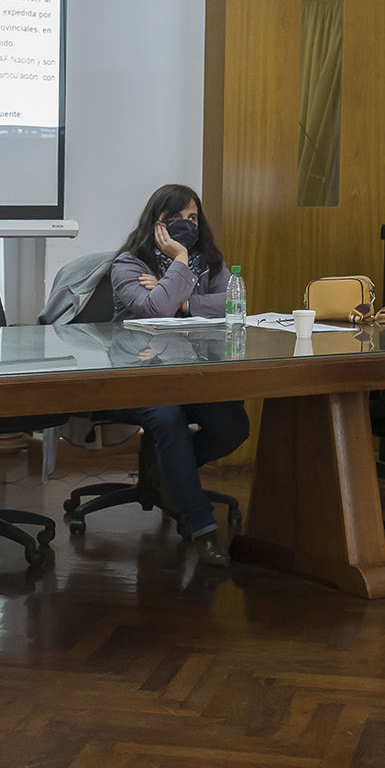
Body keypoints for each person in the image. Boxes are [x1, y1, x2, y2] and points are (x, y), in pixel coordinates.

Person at [107, 184, 250, 567]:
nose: (187, 224)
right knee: (169, 419)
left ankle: (165, 473)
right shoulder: (128, 264)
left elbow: (231, 303)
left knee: (232, 424)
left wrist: (182, 299)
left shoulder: (212, 262)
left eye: (193, 217)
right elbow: (154, 308)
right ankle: (203, 529)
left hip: (192, 373)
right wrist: (181, 261)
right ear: (157, 222)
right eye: (176, 218)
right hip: (139, 375)